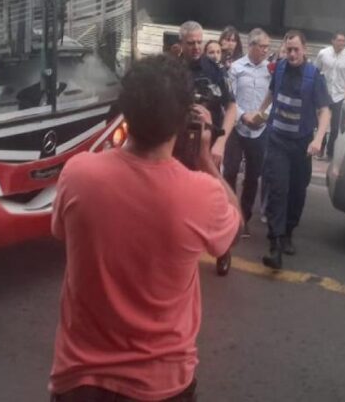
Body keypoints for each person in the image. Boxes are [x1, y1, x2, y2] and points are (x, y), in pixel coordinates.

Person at [49, 55, 242, 402]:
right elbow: (235, 226)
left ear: (125, 112)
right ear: (183, 120)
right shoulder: (202, 193)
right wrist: (205, 160)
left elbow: (61, 233)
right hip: (162, 383)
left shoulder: (78, 173)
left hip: (79, 378)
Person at [245, 30, 331, 270]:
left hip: (301, 144)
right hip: (277, 140)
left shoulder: (314, 76)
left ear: (305, 50)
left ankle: (288, 233)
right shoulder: (280, 68)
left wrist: (318, 139)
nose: (292, 54)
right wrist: (260, 113)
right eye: (288, 49)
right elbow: (272, 93)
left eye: (296, 50)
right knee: (277, 189)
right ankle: (275, 244)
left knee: (297, 192)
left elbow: (325, 111)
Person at [224, 28, 272, 237]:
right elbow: (230, 99)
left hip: (259, 129)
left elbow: (274, 97)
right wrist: (243, 116)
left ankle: (244, 217)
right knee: (230, 171)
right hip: (237, 126)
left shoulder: (271, 70)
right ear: (251, 46)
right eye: (262, 46)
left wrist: (262, 116)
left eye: (267, 47)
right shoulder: (236, 68)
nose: (265, 50)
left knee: (253, 176)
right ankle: (229, 214)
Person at [176, 21, 237, 169]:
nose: (196, 47)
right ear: (181, 43)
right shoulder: (171, 68)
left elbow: (232, 107)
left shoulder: (215, 68)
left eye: (199, 42)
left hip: (209, 144)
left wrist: (221, 143)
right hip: (177, 145)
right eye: (191, 43)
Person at [315, 32, 345, 160]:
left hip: (339, 94)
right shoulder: (323, 53)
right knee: (321, 123)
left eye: (343, 41)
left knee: (335, 126)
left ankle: (330, 152)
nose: (341, 43)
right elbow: (316, 71)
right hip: (324, 93)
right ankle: (320, 148)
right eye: (339, 40)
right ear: (333, 41)